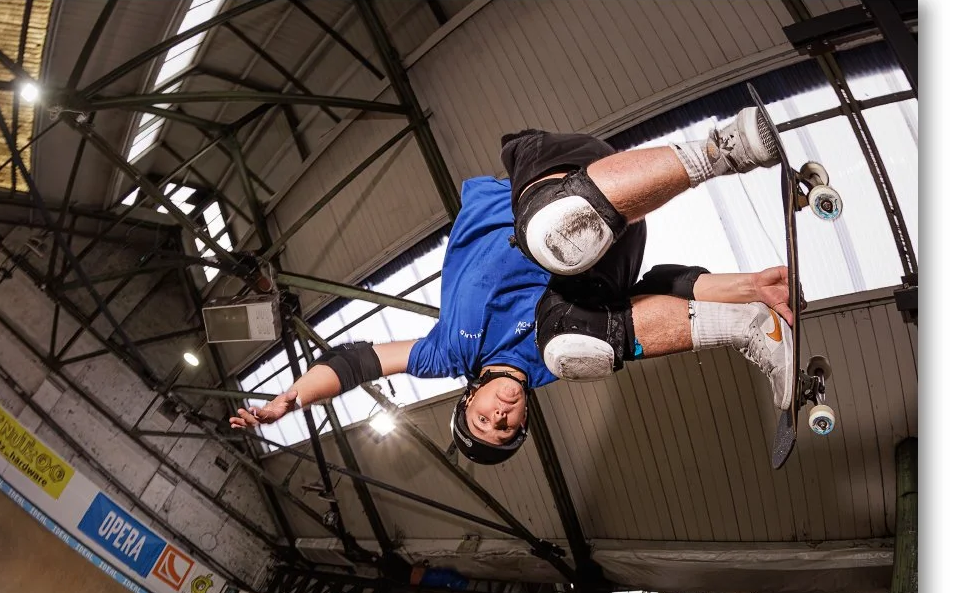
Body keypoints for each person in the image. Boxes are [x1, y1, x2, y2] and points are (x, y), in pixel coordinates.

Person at [230, 112, 793, 466]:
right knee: (575, 344)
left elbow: (357, 362)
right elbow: (653, 290)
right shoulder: (560, 359)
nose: (499, 417)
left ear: (469, 399)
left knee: (549, 238)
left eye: (483, 421)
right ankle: (749, 330)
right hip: (612, 229)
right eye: (507, 428)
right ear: (523, 421)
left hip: (544, 176)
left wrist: (291, 398)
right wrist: (747, 290)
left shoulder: (449, 353)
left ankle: (727, 147)